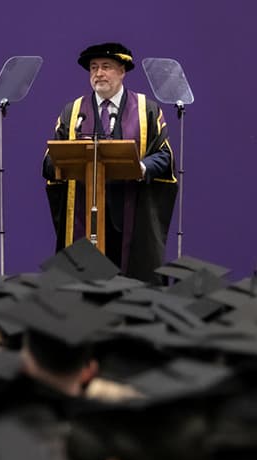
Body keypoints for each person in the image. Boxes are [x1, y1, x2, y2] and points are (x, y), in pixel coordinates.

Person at [42, 42, 177, 284]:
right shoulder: (73, 112)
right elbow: (49, 161)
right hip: (84, 213)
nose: (99, 73)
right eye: (94, 68)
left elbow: (164, 155)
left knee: (132, 284)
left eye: (106, 67)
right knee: (83, 289)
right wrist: (67, 162)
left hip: (130, 212)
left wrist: (140, 167)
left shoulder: (146, 109)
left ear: (122, 71)